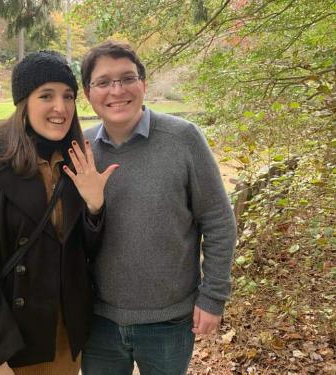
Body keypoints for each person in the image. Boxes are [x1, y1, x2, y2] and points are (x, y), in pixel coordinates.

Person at [0, 51, 118, 375]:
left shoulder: (76, 161)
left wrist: (95, 206)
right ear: (23, 102)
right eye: (46, 96)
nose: (61, 107)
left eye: (68, 96)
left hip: (63, 343)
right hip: (9, 342)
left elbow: (83, 254)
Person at [79, 41, 237, 375]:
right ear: (87, 93)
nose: (116, 90)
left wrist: (213, 298)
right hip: (97, 321)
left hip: (170, 320)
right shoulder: (81, 148)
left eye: (127, 78)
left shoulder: (183, 138)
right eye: (103, 82)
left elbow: (219, 220)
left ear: (144, 84)